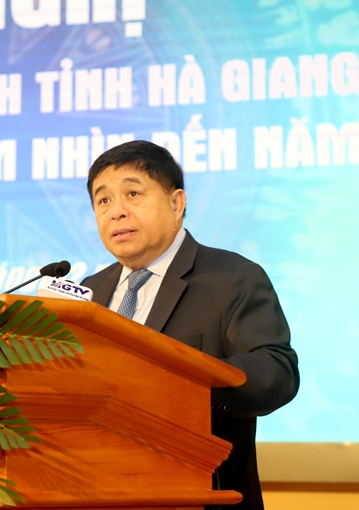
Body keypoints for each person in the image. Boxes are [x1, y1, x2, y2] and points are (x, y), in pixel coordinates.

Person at [81, 140, 299, 510]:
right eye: (103, 200)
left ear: (176, 202)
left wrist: (175, 385)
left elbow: (276, 374)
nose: (116, 211)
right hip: (95, 492)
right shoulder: (88, 292)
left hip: (199, 496)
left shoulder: (231, 277)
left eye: (132, 194)